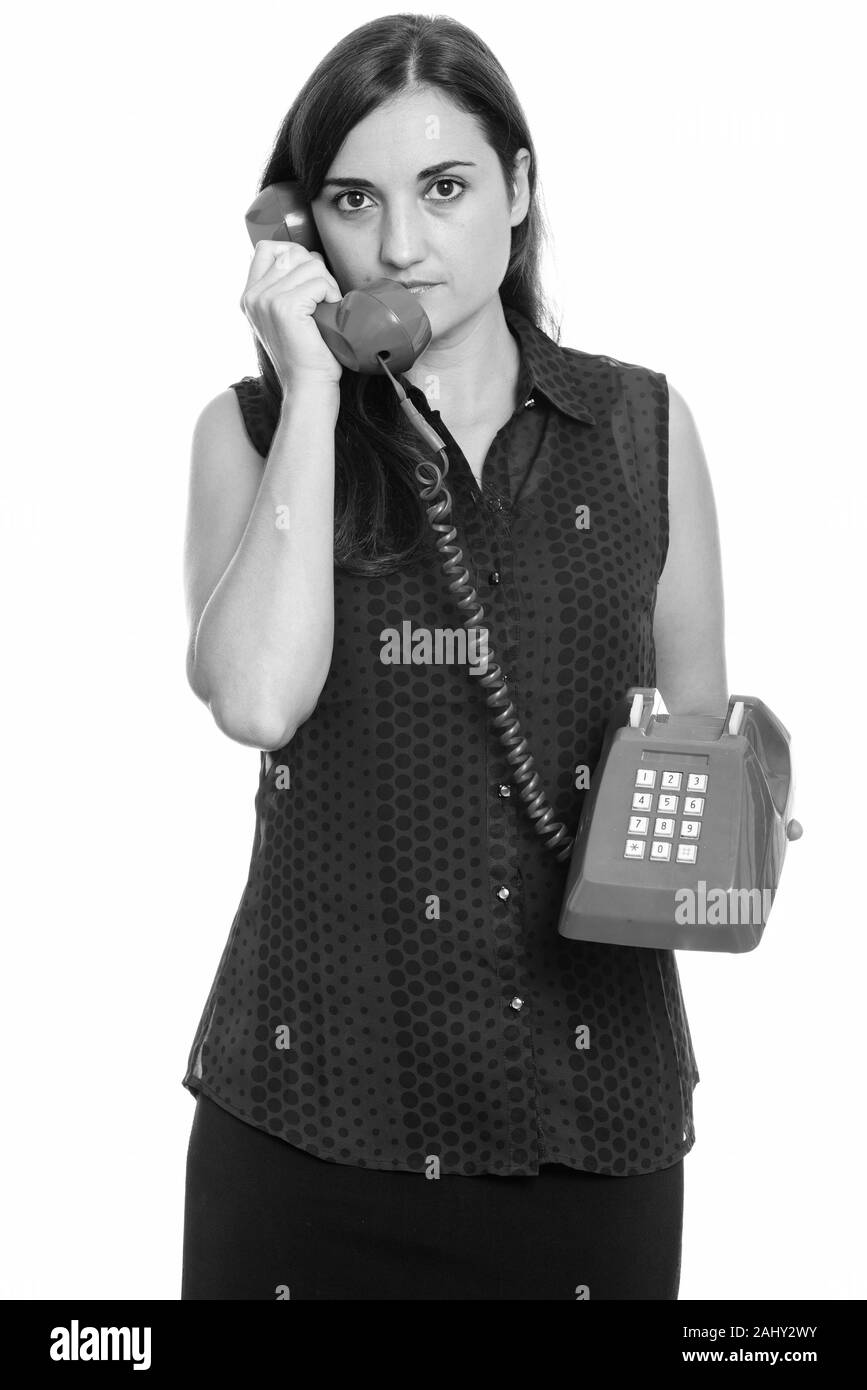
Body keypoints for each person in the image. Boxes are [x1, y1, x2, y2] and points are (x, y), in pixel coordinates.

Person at [180, 12, 725, 1301]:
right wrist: (313, 392)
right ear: (299, 231)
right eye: (355, 201)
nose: (404, 245)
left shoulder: (640, 427)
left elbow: (695, 725)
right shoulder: (249, 436)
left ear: (520, 190)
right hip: (314, 1111)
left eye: (445, 188)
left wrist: (734, 813)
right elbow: (257, 699)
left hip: (590, 1121)